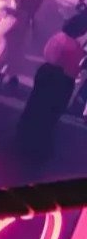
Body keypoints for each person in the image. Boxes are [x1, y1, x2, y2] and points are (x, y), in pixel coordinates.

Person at [17, 14, 87, 161]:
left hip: (46, 71)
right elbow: (75, 69)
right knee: (49, 114)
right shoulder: (75, 47)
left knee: (35, 105)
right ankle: (37, 145)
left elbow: (46, 52)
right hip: (61, 80)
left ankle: (23, 136)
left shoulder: (58, 37)